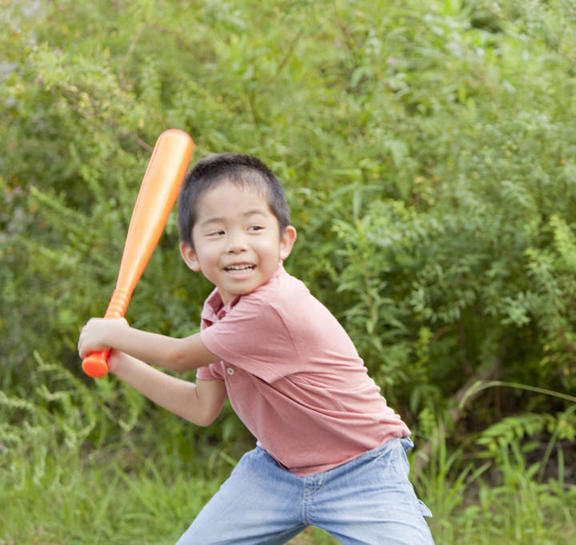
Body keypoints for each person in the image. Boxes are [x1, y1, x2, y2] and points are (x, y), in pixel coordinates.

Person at [77, 153, 435, 545]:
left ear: (284, 242)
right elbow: (201, 407)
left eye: (254, 227)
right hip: (276, 472)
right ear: (191, 254)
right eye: (217, 233)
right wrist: (120, 362)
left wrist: (111, 332)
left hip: (361, 469)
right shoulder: (217, 310)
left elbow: (178, 355)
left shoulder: (274, 306)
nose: (237, 245)